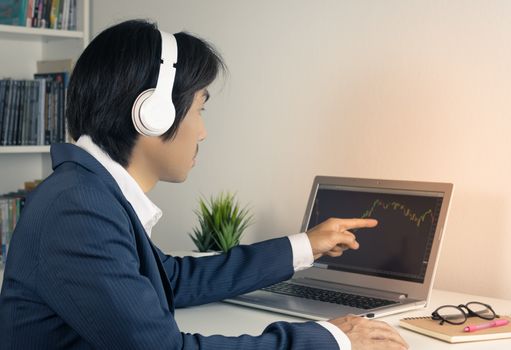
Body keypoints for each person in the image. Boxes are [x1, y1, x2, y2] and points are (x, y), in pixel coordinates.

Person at [0, 20, 408, 349]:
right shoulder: (78, 210)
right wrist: (332, 338)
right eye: (200, 109)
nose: (202, 132)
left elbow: (172, 279)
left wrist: (305, 245)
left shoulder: (88, 193)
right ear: (153, 114)